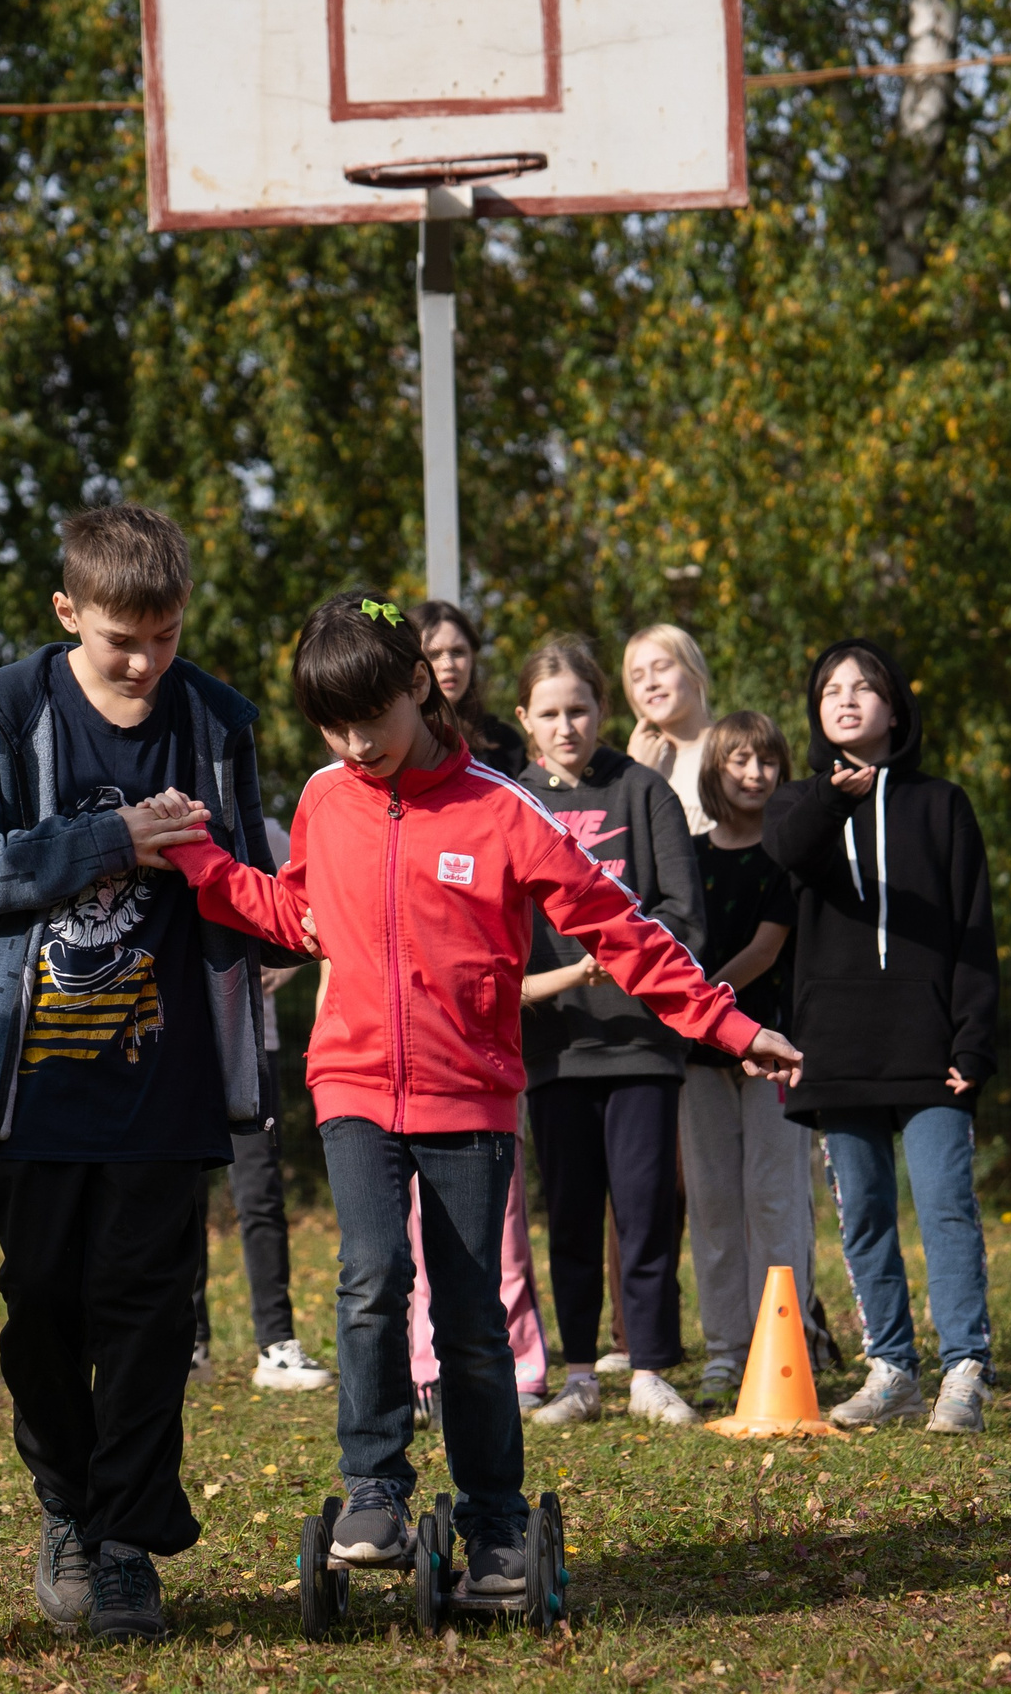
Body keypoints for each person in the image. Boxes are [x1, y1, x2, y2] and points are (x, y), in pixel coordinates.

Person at [165, 593, 802, 1596]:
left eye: (369, 716)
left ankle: (495, 1521)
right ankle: (373, 1484)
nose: (352, 743)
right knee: (371, 1281)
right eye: (330, 727)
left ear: (417, 684)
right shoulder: (327, 799)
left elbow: (621, 929)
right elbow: (295, 911)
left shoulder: (504, 811)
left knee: (471, 1319)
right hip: (354, 1083)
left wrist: (726, 1023)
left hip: (469, 1096)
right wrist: (200, 860)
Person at [0, 502, 293, 1643]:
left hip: (167, 1084)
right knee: (42, 1311)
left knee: (145, 1319)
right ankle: (67, 1506)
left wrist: (266, 926)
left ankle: (123, 1542)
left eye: (165, 636)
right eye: (119, 639)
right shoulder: (2, 709)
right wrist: (112, 841)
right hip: (32, 1086)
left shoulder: (218, 722)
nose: (142, 662)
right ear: (67, 611)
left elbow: (255, 871)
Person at [764, 639, 999, 1434]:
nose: (848, 697)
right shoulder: (800, 804)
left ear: (896, 708)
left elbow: (973, 929)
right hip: (834, 1049)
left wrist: (973, 1041)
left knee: (945, 1207)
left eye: (866, 687)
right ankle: (892, 1366)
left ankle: (965, 1367)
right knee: (862, 1213)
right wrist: (838, 798)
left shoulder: (944, 805)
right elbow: (788, 853)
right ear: (817, 712)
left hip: (930, 1048)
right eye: (832, 689)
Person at [513, 635, 708, 1428]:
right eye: (551, 713)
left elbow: (682, 914)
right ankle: (583, 1375)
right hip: (553, 1048)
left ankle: (653, 1370)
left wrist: (616, 954)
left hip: (639, 1044)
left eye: (581, 709)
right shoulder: (508, 800)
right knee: (569, 1216)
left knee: (644, 1211)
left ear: (602, 711)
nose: (567, 726)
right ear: (525, 719)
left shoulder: (644, 792)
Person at [403, 600, 552, 1419]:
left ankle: (519, 1361)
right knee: (403, 1240)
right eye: (436, 652)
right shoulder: (362, 777)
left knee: (499, 1223)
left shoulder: (497, 765)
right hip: (396, 1045)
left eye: (461, 650)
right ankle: (420, 1359)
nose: (450, 664)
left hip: (480, 1042)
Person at [680, 709, 819, 1408]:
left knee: (774, 1197)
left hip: (774, 1048)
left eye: (767, 760)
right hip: (698, 1056)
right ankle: (726, 1352)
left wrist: (704, 1003)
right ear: (715, 769)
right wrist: (695, 1021)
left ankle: (785, 1339)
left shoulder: (788, 859)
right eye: (739, 760)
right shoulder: (690, 855)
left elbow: (766, 951)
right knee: (712, 1202)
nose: (754, 773)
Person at [190, 818, 334, 1393]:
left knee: (260, 1198)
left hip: (254, 1045)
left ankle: (275, 1344)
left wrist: (284, 969)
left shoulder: (266, 832)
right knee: (180, 1200)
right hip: (179, 1045)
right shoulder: (162, 821)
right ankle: (189, 1343)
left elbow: (319, 916)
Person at [411, 599, 525, 774]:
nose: (448, 664)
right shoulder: (399, 745)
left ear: (472, 657)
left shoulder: (506, 744)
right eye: (433, 654)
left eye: (458, 652)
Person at [623, 623, 717, 836]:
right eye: (637, 677)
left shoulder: (734, 747)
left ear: (694, 671)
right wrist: (638, 773)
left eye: (662, 668)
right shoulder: (634, 762)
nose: (650, 683)